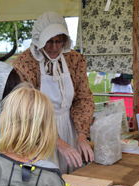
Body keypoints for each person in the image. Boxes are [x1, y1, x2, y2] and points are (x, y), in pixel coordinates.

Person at [13, 12, 95, 174]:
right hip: (38, 128)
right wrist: (56, 140)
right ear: (39, 40)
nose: (54, 47)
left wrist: (82, 135)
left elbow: (83, 98)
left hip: (69, 125)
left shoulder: (75, 60)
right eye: (49, 41)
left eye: (58, 41)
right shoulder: (25, 63)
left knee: (73, 174)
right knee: (46, 176)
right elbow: (28, 107)